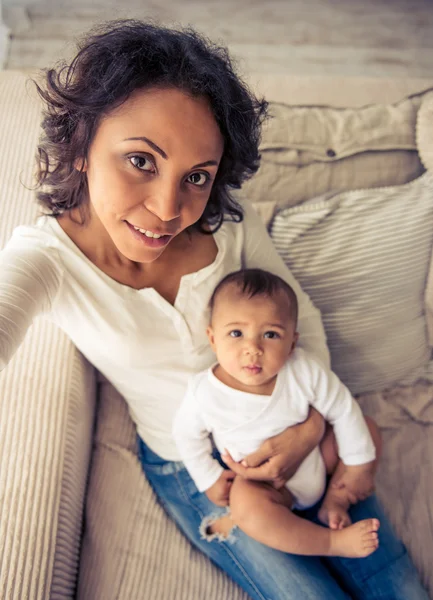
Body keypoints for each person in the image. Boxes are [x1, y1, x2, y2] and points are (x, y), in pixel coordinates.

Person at [0, 18, 428, 600]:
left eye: (195, 176)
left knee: (391, 578)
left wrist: (309, 428)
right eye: (141, 161)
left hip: (296, 423)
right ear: (81, 142)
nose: (167, 209)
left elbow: (302, 320)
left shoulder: (227, 223)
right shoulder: (46, 259)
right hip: (194, 463)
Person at [174, 268, 380, 558]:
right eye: (236, 333)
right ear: (212, 339)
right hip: (264, 485)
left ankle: (337, 498)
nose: (253, 348)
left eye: (271, 334)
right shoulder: (204, 393)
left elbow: (342, 408)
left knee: (366, 429)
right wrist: (209, 478)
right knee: (246, 508)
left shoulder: (303, 370)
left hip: (316, 458)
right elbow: (185, 436)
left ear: (292, 343)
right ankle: (331, 543)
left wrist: (359, 464)